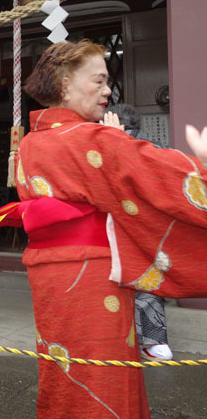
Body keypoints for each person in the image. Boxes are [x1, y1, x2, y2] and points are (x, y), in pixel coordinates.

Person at [0, 39, 207, 418]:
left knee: (64, 369)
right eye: (99, 81)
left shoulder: (30, 144)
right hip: (91, 274)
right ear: (65, 83)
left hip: (47, 274)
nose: (108, 90)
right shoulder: (93, 139)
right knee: (103, 376)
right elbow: (159, 176)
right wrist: (201, 163)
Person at [107, 103, 173, 361]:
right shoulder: (160, 148)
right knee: (149, 282)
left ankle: (142, 341)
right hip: (158, 226)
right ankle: (155, 340)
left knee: (127, 282)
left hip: (127, 223)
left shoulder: (118, 148)